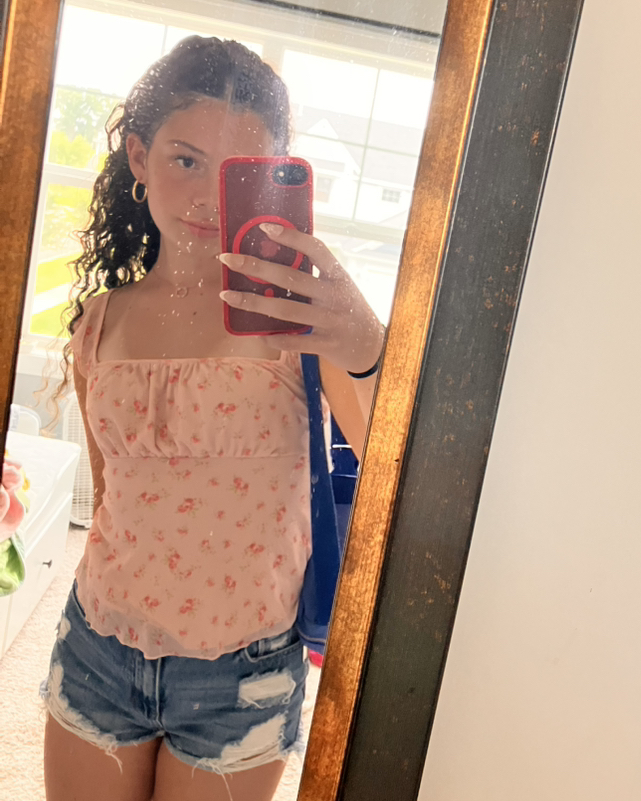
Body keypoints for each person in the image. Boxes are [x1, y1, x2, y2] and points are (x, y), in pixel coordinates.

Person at [42, 36, 384, 801]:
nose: (205, 198)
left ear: (272, 178)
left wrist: (366, 348)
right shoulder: (100, 321)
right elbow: (111, 492)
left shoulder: (300, 318)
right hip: (99, 643)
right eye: (185, 160)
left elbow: (391, 463)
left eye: (234, 172)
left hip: (244, 671)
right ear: (139, 156)